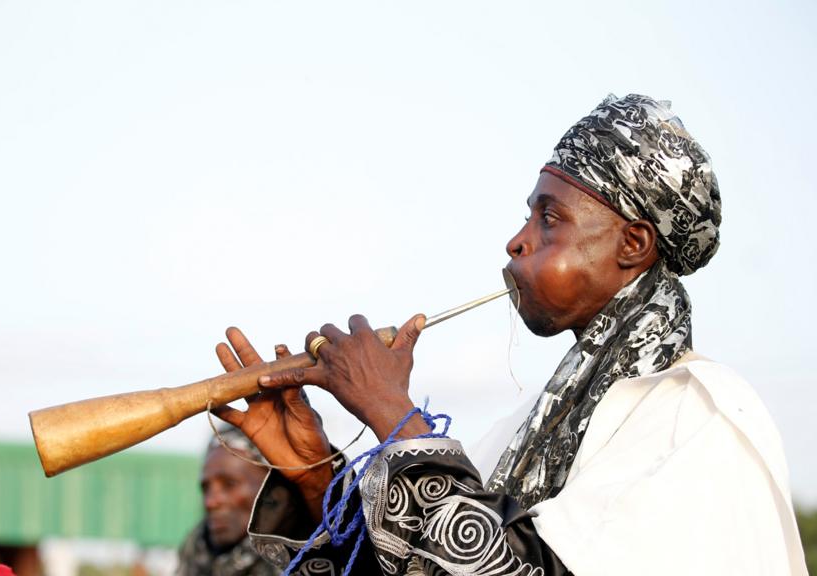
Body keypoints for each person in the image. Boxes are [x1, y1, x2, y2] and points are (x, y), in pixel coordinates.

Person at [209, 94, 808, 575]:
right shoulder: (522, 431)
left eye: (549, 218)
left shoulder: (697, 414)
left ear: (633, 245)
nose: (517, 241)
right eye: (528, 216)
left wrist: (393, 412)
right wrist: (315, 472)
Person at [175, 424, 281, 576]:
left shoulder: (309, 559)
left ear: (273, 488)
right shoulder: (196, 551)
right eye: (206, 488)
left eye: (229, 484)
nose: (210, 502)